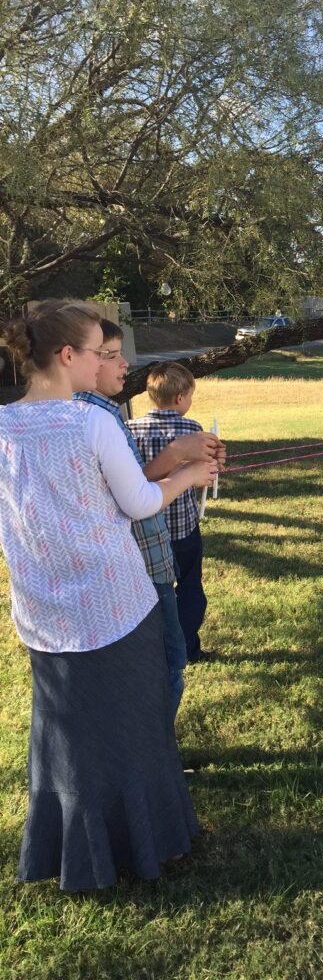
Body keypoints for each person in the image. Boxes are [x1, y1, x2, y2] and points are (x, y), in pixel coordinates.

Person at [0, 300, 218, 891]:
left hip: (43, 612)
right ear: (67, 356)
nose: (104, 363)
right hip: (116, 603)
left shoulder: (2, 426)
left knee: (65, 734)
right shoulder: (89, 421)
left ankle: (72, 850)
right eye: (99, 351)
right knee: (134, 727)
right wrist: (189, 478)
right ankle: (149, 845)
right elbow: (140, 503)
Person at [73, 319, 225, 716]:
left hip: (151, 544)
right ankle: (154, 752)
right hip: (153, 546)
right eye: (109, 355)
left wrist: (199, 461)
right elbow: (135, 494)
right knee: (171, 651)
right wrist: (184, 464)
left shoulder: (124, 423)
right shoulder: (95, 421)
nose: (124, 364)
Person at [128, 363, 210, 662]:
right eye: (190, 396)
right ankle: (187, 647)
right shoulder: (192, 430)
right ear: (180, 399)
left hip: (144, 534)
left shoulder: (130, 429)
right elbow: (205, 474)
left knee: (154, 592)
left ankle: (155, 649)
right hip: (183, 529)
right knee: (190, 588)